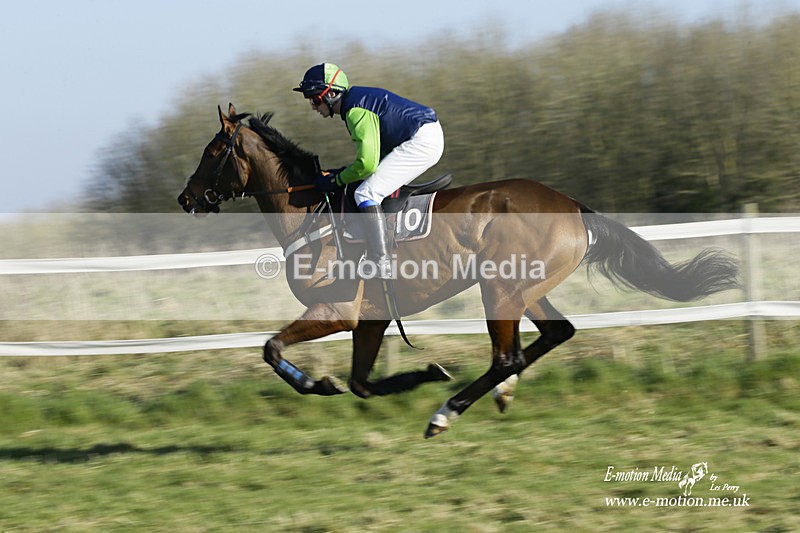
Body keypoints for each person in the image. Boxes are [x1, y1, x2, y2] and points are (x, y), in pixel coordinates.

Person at [293, 62, 444, 278]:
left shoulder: (355, 110)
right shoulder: (354, 105)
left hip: (422, 140)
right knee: (364, 184)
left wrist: (337, 180)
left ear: (332, 93)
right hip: (419, 136)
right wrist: (343, 173)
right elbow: (370, 159)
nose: (313, 106)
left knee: (366, 193)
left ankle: (380, 261)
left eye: (315, 99)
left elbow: (367, 164)